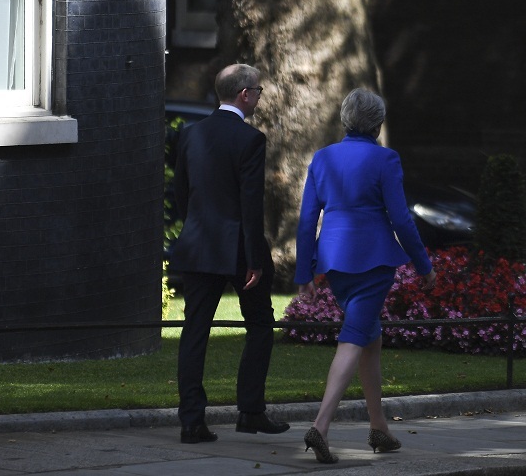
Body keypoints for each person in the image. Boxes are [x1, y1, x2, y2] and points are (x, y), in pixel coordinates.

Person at [294, 88, 436, 464]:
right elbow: (401, 219)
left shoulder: (323, 157)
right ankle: (320, 426)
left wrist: (304, 270)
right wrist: (424, 265)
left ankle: (379, 428)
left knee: (371, 338)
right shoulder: (385, 158)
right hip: (373, 260)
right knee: (355, 337)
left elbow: (307, 220)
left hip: (334, 260)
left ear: (345, 119)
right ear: (378, 124)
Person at [169, 63, 289, 444]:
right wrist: (254, 259)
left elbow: (181, 192)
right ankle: (250, 410)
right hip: (238, 247)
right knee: (260, 325)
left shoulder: (191, 134)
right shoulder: (250, 139)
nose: (259, 97)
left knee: (195, 331)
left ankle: (192, 421)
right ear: (244, 94)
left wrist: (195, 226)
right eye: (258, 91)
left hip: (199, 243)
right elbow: (250, 204)